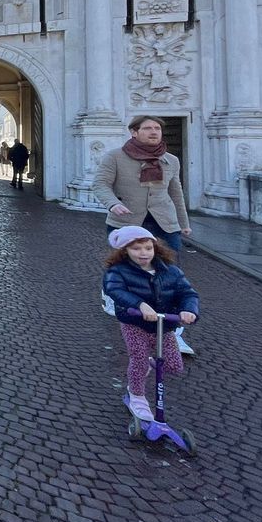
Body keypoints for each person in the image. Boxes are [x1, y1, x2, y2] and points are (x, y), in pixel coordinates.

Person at [92, 114, 194, 354]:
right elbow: (100, 184)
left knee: (170, 275)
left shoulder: (170, 160)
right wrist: (111, 204)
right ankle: (118, 299)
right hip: (126, 219)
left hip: (164, 223)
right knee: (123, 268)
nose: (154, 131)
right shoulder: (115, 157)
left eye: (157, 128)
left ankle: (172, 331)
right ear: (134, 132)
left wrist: (183, 222)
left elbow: (176, 193)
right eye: (147, 128)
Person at [101, 226, 199, 422]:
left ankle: (146, 364)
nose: (143, 253)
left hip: (164, 325)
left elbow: (187, 293)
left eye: (147, 248)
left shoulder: (171, 271)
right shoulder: (118, 271)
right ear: (125, 251)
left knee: (173, 366)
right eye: (136, 249)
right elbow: (114, 289)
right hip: (135, 324)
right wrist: (140, 305)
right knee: (138, 361)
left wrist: (189, 310)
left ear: (155, 248)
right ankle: (136, 395)